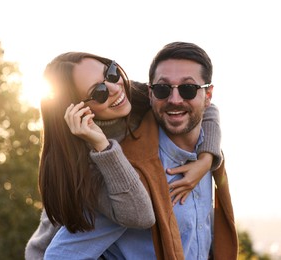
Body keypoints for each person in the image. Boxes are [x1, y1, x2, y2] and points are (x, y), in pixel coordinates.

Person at [25, 51, 223, 259]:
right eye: (98, 92)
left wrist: (206, 159)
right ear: (78, 110)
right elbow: (139, 215)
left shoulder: (134, 96)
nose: (114, 88)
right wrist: (102, 146)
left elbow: (204, 107)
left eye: (110, 73)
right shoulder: (85, 164)